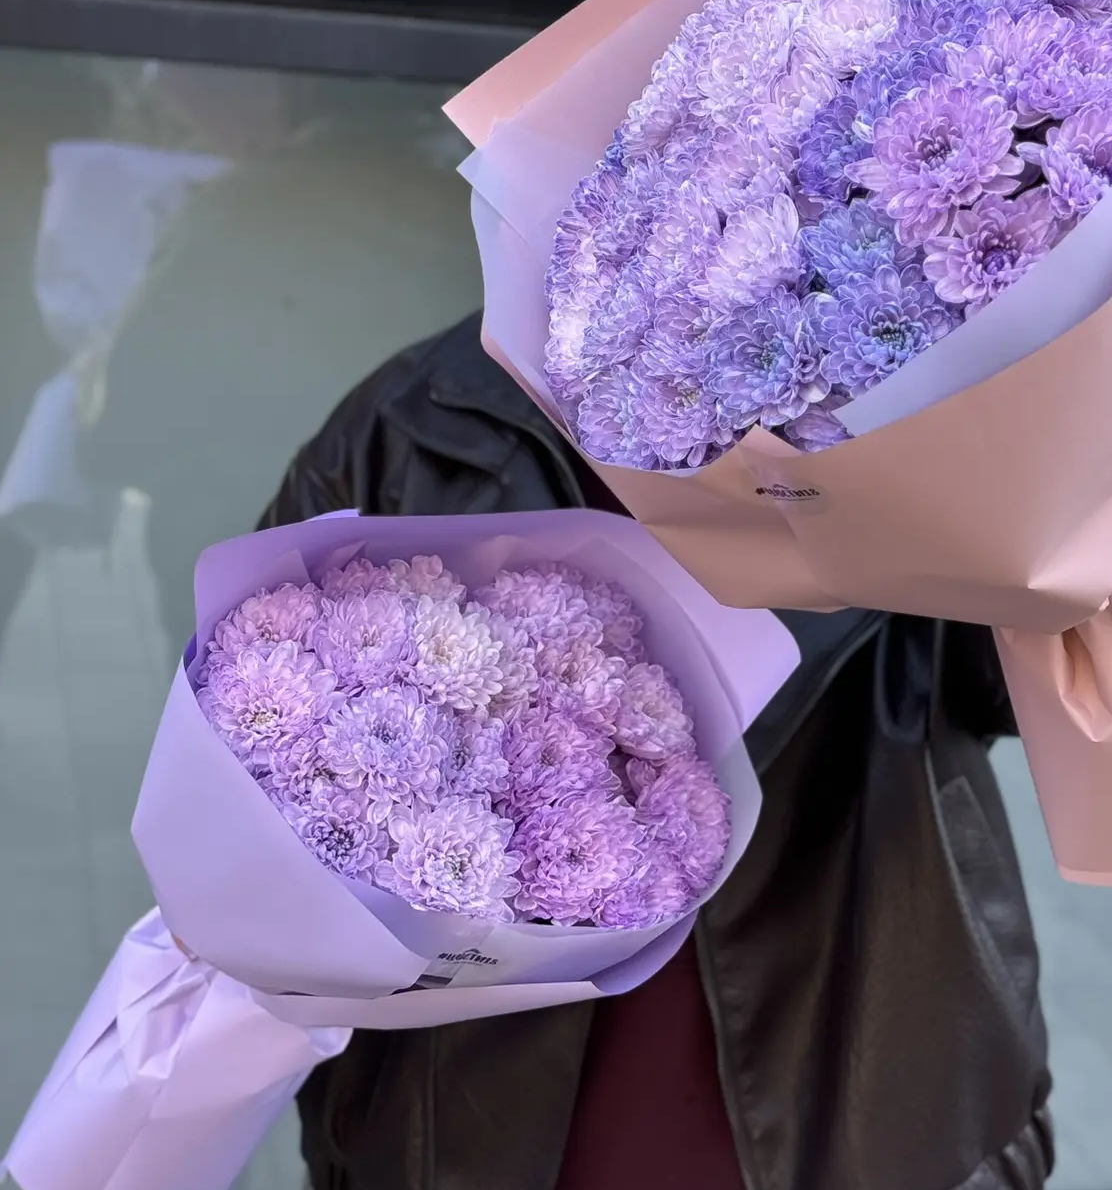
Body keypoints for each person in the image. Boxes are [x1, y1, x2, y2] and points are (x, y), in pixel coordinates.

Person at [259, 312, 1053, 1190]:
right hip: (461, 1122)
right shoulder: (418, 421)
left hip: (859, 1087)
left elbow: (1029, 684)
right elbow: (259, 785)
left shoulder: (905, 398)